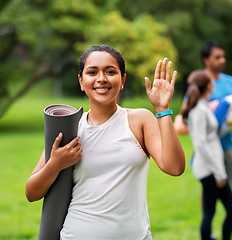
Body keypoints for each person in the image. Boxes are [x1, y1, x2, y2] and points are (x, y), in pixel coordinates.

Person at [25, 44, 185, 240]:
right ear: (81, 81)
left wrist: (163, 108)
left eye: (110, 71)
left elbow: (174, 167)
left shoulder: (140, 120)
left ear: (122, 80)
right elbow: (31, 193)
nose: (102, 78)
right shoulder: (70, 128)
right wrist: (55, 164)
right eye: (92, 72)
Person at [177, 41, 232, 239]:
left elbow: (231, 119)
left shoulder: (231, 82)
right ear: (206, 60)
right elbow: (187, 124)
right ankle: (209, 232)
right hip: (209, 153)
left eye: (224, 56)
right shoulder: (198, 91)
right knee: (210, 196)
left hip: (227, 143)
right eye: (217, 57)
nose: (222, 60)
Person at [182, 69, 232, 240]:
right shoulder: (198, 110)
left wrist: (229, 125)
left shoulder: (203, 106)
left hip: (214, 168)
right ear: (208, 85)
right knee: (214, 211)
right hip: (210, 171)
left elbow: (211, 135)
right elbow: (201, 143)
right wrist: (219, 173)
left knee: (227, 209)